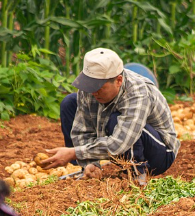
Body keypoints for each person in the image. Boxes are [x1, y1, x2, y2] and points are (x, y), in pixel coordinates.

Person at [41, 48, 180, 182]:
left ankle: (138, 174)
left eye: (98, 87)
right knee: (70, 102)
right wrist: (91, 162)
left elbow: (120, 143)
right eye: (90, 85)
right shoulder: (90, 90)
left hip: (159, 154)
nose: (93, 92)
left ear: (118, 81)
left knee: (115, 119)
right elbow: (83, 130)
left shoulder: (137, 93)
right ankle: (87, 169)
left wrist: (74, 152)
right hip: (121, 151)